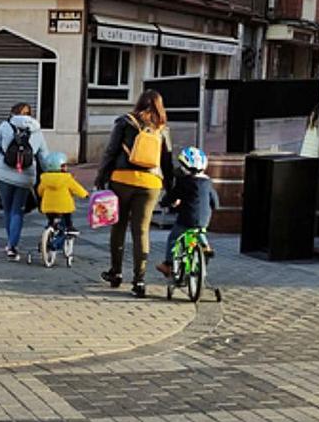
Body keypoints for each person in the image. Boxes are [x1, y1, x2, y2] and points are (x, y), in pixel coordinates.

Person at [94, 89, 174, 298]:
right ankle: (139, 280)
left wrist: (101, 176)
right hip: (151, 183)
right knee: (141, 231)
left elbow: (111, 151)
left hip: (122, 180)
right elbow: (167, 161)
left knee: (118, 227)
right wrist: (171, 188)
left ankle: (116, 272)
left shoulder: (124, 122)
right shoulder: (162, 129)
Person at [0, 103, 49, 260]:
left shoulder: (5, 126)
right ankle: (13, 246)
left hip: (4, 175)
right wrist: (50, 176)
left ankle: (10, 243)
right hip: (26, 177)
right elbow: (44, 157)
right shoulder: (37, 130)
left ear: (12, 113)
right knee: (18, 210)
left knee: (8, 209)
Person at [156, 147, 218, 278]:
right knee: (199, 230)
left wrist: (164, 203)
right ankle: (206, 246)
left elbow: (173, 196)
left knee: (173, 238)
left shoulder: (184, 182)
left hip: (187, 218)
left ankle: (168, 265)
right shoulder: (207, 182)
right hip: (204, 218)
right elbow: (215, 201)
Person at [36, 152, 87, 236]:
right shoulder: (67, 178)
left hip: (48, 207)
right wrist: (85, 194)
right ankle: (69, 227)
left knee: (51, 219)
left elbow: (40, 191)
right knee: (67, 216)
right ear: (61, 167)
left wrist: (41, 195)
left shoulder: (44, 178)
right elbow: (76, 188)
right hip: (64, 207)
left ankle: (50, 228)